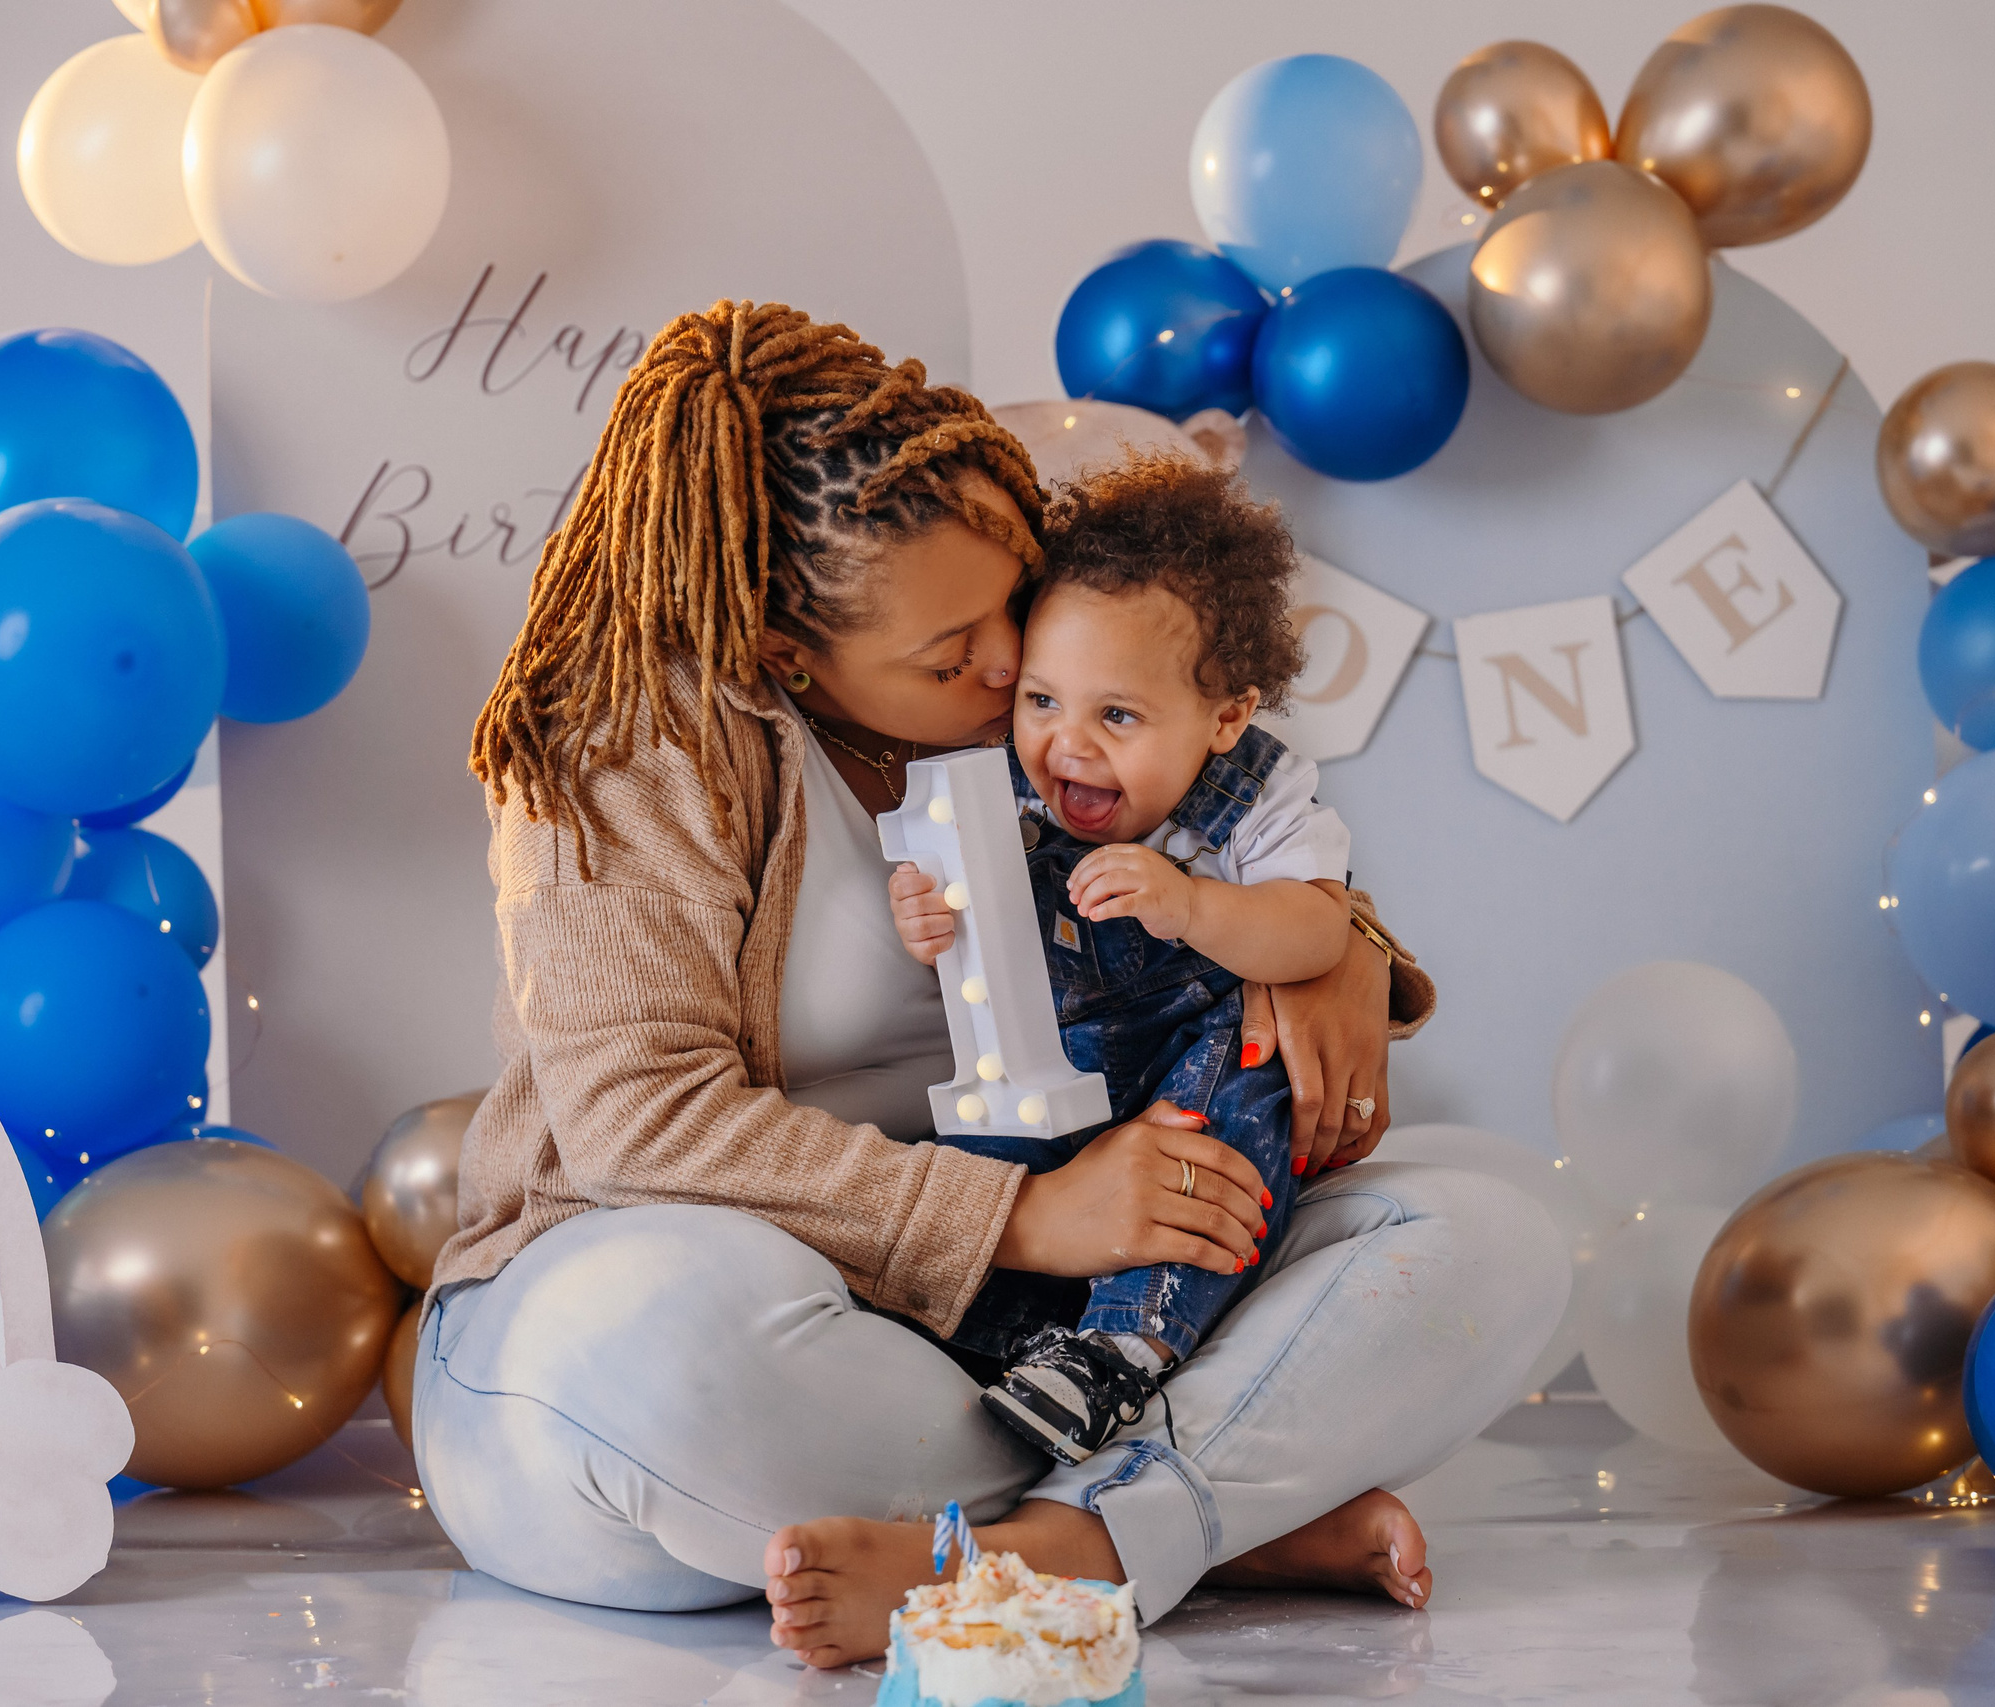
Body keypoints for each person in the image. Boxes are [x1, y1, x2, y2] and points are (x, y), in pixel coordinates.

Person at [411, 299, 1569, 1669]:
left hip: (1039, 1339)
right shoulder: (633, 739)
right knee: (668, 1346)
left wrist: (1342, 954)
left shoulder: (1037, 706)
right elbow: (638, 1126)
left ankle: (1054, 1545)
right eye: (950, 655)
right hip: (740, 1307)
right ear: (792, 652)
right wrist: (1025, 1214)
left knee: (1490, 1229)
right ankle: (1198, 1511)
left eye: (1010, 606)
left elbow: (1228, 809)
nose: (1013, 668)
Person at [887, 451, 1386, 1466]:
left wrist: (1195, 905)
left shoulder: (1260, 796)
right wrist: (926, 911)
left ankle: (1125, 1347)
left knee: (1244, 1102)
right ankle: (995, 1340)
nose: (1065, 744)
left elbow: (1315, 931)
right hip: (1059, 1067)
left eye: (1115, 716)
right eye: (1040, 701)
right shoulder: (1000, 784)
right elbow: (952, 898)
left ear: (1226, 717)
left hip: (1186, 1062)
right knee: (975, 1159)